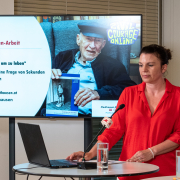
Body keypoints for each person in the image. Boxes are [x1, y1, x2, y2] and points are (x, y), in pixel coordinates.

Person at [66, 44, 180, 179]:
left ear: (163, 67)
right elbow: (113, 130)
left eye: (150, 65)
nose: (144, 70)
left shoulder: (177, 96)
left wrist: (152, 152)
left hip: (165, 173)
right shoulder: (128, 93)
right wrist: (90, 154)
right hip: (130, 169)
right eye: (141, 65)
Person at [51, 21, 136, 115]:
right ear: (78, 39)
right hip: (61, 117)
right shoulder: (62, 58)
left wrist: (100, 93)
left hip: (93, 119)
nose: (92, 46)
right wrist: (49, 76)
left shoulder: (113, 65)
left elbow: (130, 90)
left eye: (98, 40)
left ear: (103, 44)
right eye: (88, 39)